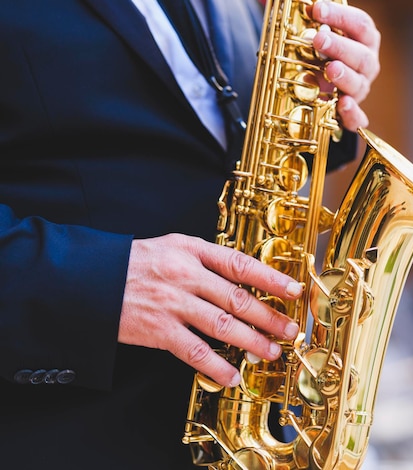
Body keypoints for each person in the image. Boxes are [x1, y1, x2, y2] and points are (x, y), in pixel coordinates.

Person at [0, 0, 381, 469]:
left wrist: (325, 90)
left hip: (251, 427)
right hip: (69, 435)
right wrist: (103, 282)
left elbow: (232, 136)